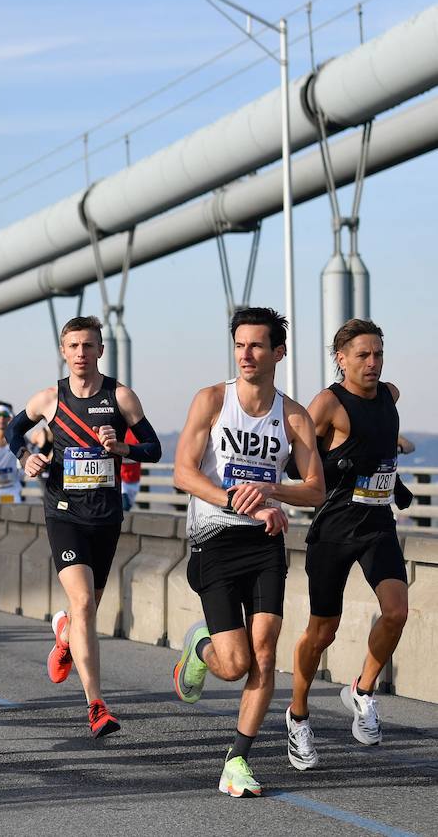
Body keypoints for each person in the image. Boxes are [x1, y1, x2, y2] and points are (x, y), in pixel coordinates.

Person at [171, 306, 325, 798]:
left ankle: (237, 760)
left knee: (264, 652)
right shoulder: (212, 400)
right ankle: (200, 647)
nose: (246, 354)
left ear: (278, 352)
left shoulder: (293, 415)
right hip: (214, 537)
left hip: (264, 543)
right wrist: (234, 498)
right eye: (240, 345)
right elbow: (183, 472)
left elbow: (317, 489)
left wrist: (272, 493)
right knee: (234, 663)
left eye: (257, 345)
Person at [9, 316, 161, 737]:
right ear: (63, 351)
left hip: (105, 516)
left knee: (85, 608)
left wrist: (121, 448)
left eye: (88, 346)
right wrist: (25, 458)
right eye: (73, 346)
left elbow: (153, 448)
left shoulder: (121, 397)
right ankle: (96, 705)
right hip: (64, 512)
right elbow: (13, 430)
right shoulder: (49, 399)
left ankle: (64, 638)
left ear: (100, 351)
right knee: (85, 606)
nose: (80, 353)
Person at [288, 319, 414, 769]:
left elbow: (381, 425)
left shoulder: (389, 394)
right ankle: (298, 714)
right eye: (363, 355)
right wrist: (329, 458)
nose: (373, 363)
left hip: (378, 523)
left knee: (397, 610)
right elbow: (293, 462)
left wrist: (392, 442)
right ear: (340, 358)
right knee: (323, 631)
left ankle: (361, 692)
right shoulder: (326, 404)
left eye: (378, 353)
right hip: (334, 528)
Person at [120, 427, 142, 513]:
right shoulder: (118, 429)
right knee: (124, 507)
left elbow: (143, 452)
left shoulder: (138, 432)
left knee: (127, 507)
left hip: (134, 479)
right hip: (120, 478)